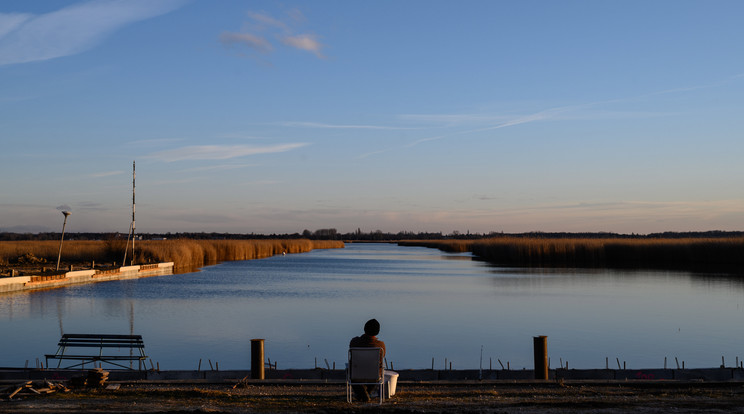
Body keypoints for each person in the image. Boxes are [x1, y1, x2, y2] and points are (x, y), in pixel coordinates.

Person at [349, 318, 386, 402]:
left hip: (356, 375)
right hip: (374, 376)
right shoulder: (381, 345)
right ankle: (366, 393)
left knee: (349, 370)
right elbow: (382, 357)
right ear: (378, 331)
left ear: (364, 328)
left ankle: (362, 394)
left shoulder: (354, 342)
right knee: (377, 368)